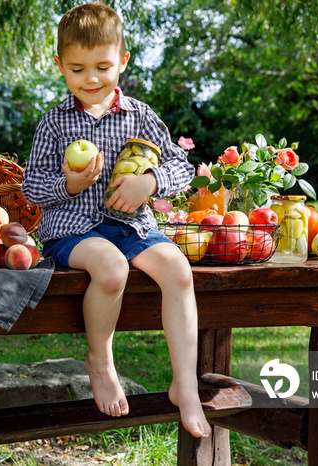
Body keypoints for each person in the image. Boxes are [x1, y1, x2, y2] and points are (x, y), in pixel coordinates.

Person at [21, 2, 210, 439]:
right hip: (73, 229)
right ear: (60, 67)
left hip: (133, 227)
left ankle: (185, 382)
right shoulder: (54, 123)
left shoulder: (140, 116)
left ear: (123, 61)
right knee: (111, 270)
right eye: (78, 68)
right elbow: (32, 188)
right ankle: (101, 360)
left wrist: (151, 181)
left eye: (103, 66)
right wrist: (67, 184)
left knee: (179, 270)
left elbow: (182, 166)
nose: (91, 79)